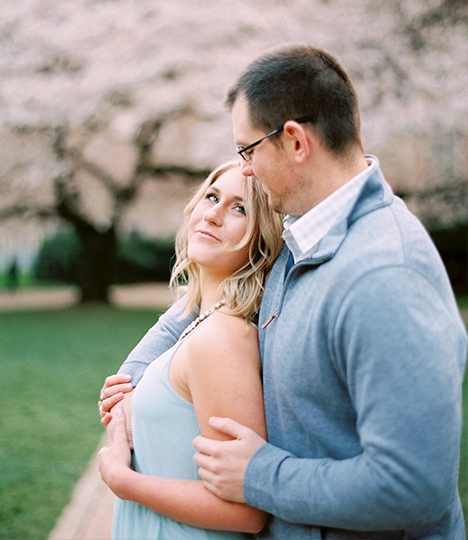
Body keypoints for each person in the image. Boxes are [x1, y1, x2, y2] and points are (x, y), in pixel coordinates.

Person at [101, 45, 468, 538]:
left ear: (294, 141)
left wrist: (260, 476)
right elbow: (202, 307)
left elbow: (414, 488)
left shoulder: (384, 274)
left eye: (248, 151)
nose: (245, 170)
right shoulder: (305, 238)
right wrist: (136, 377)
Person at [97, 160, 283, 539]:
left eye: (239, 208)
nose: (214, 214)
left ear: (262, 239)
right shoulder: (200, 321)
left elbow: (244, 511)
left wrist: (123, 480)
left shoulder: (222, 339)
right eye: (212, 197)